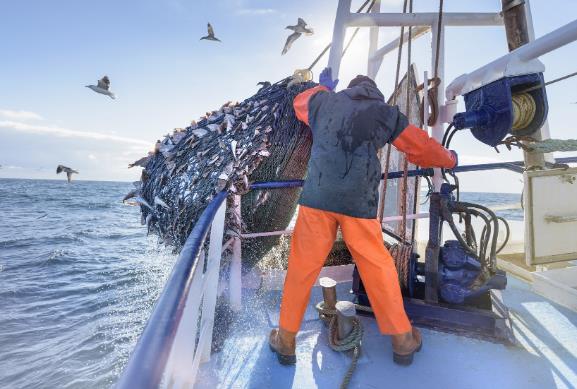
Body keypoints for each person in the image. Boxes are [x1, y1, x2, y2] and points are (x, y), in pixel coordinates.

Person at [269, 68, 458, 367]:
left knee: (302, 268)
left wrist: (323, 88)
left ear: (349, 90)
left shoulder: (323, 102)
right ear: (375, 94)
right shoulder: (385, 113)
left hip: (317, 199)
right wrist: (450, 158)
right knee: (378, 267)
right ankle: (402, 340)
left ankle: (287, 340)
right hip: (359, 203)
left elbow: (299, 102)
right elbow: (420, 147)